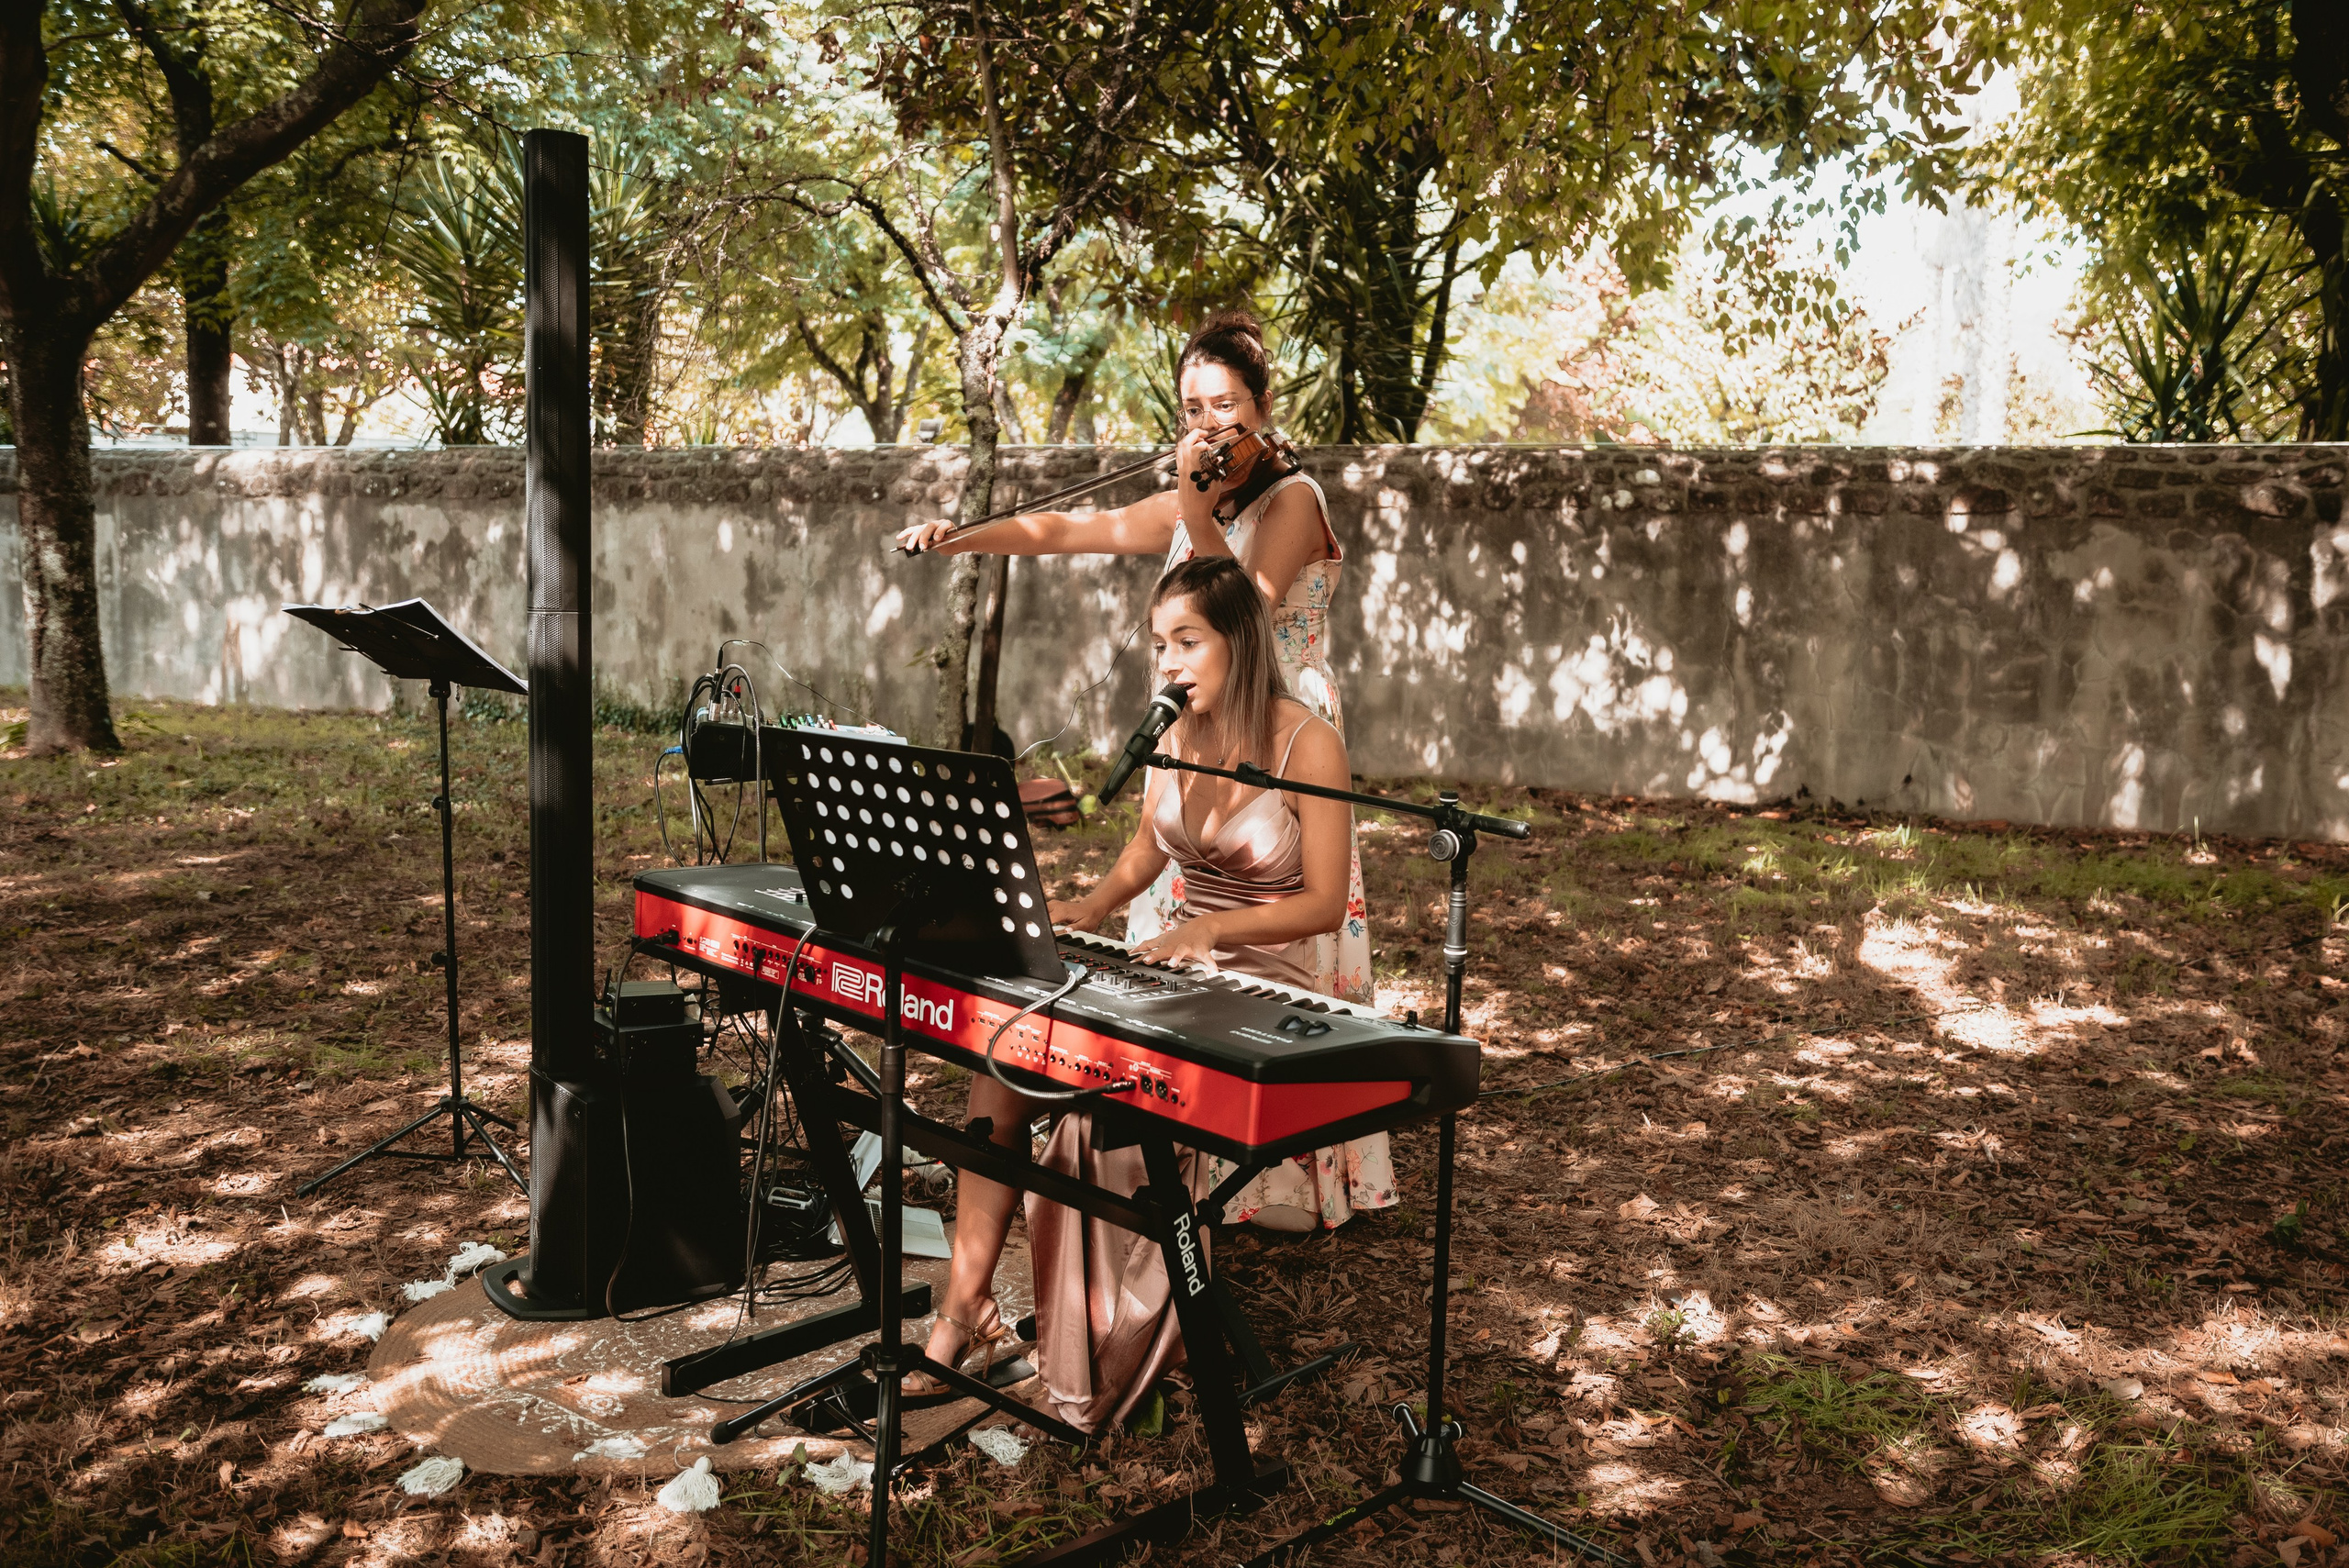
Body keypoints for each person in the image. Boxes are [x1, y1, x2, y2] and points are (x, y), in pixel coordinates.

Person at [895, 311, 1385, 1236]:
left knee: (1271, 932)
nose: (1208, 425)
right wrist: (961, 539)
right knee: (1166, 925)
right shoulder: (1199, 498)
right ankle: (1172, 1150)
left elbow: (1239, 613)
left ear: (1262, 406)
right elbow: (1071, 528)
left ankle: (1282, 1170)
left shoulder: (1292, 499)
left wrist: (1194, 508)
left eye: (1224, 405)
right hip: (1197, 725)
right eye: (1192, 409)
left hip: (1278, 728)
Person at [906, 558, 1372, 1431]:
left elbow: (1321, 903)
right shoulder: (1173, 732)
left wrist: (1212, 931)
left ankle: (1106, 1355)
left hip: (1263, 982)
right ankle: (963, 1312)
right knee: (1006, 1057)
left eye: (1187, 641)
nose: (1169, 662)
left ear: (1240, 641)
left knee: (1100, 1114)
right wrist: (1091, 906)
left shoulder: (1307, 742)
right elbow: (1147, 849)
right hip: (1180, 965)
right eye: (1160, 644)